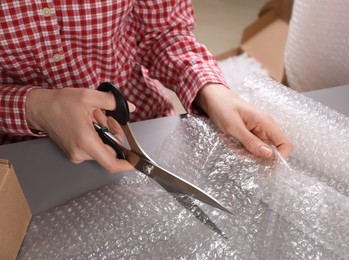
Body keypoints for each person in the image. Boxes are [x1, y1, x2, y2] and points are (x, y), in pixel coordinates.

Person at [0, 1, 292, 173]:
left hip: (142, 125)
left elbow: (164, 32)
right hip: (18, 159)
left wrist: (212, 91)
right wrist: (35, 107)